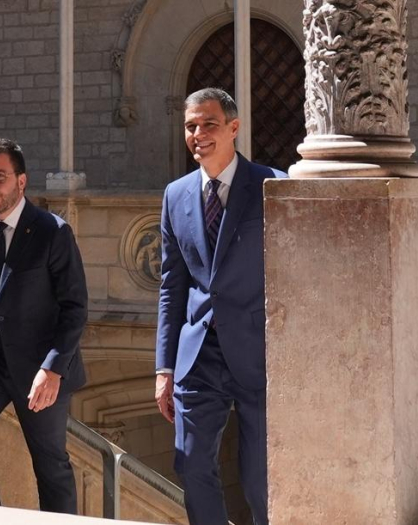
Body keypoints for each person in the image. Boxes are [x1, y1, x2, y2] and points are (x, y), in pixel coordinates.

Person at [154, 88, 285, 525]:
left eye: (208, 124)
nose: (198, 134)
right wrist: (164, 368)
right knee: (191, 465)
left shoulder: (272, 185)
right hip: (199, 356)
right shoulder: (175, 195)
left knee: (259, 478)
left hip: (258, 353)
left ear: (233, 127)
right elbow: (172, 285)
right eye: (190, 126)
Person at [0, 137, 88, 513]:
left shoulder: (52, 231)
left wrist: (53, 369)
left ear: (21, 182)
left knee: (50, 466)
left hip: (40, 368)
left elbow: (74, 307)